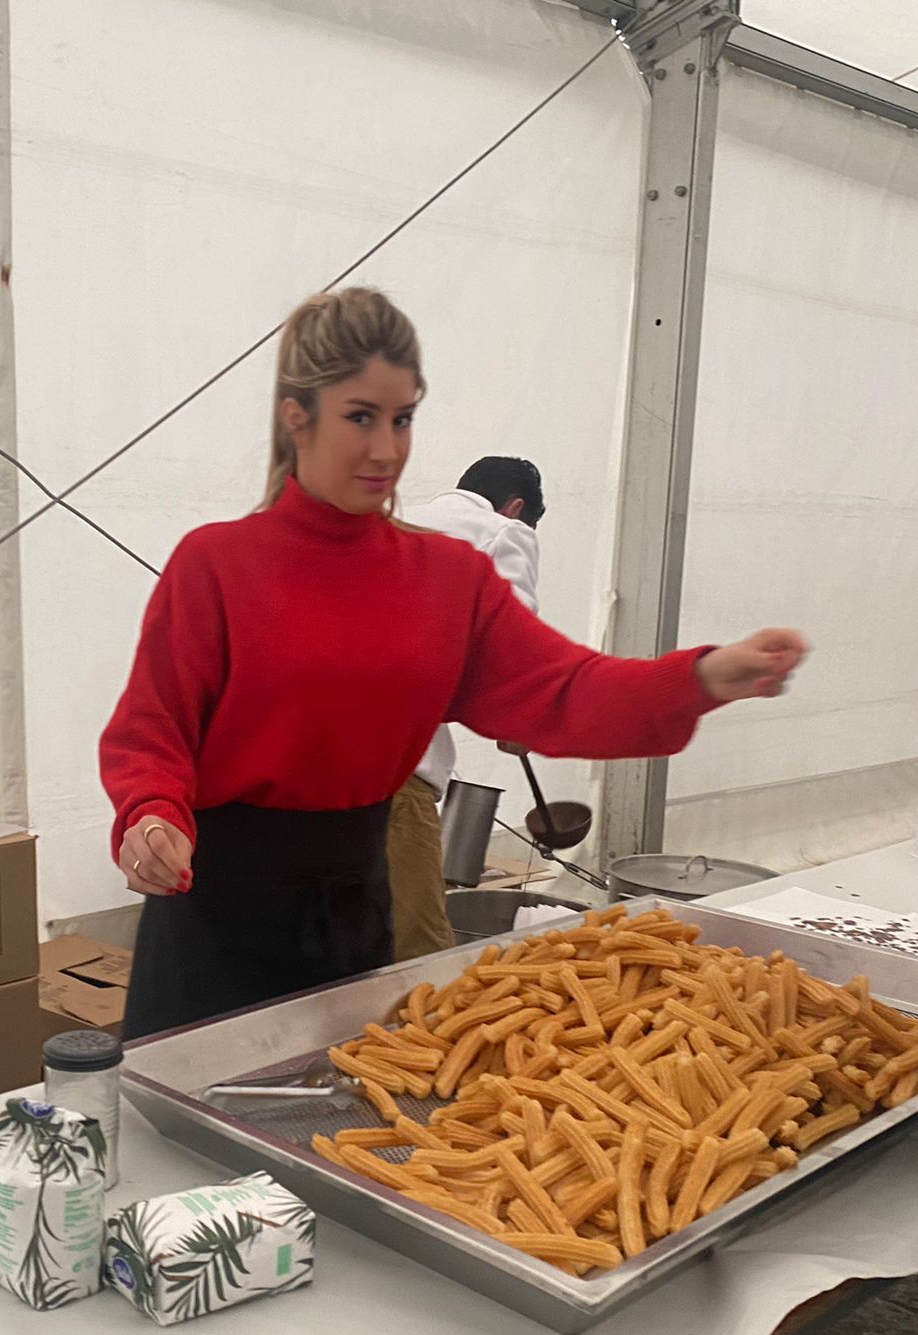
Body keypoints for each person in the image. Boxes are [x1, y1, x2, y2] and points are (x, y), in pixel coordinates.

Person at [101, 288, 808, 1041]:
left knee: (345, 1130)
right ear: (296, 415)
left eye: (402, 418)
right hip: (213, 926)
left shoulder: (447, 579)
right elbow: (153, 728)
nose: (387, 450)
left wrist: (699, 678)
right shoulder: (216, 564)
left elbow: (563, 692)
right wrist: (150, 815)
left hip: (353, 921)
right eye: (360, 417)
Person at [387, 455, 548, 961]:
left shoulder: (387, 520)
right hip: (387, 769)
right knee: (418, 951)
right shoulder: (502, 532)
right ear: (516, 507)